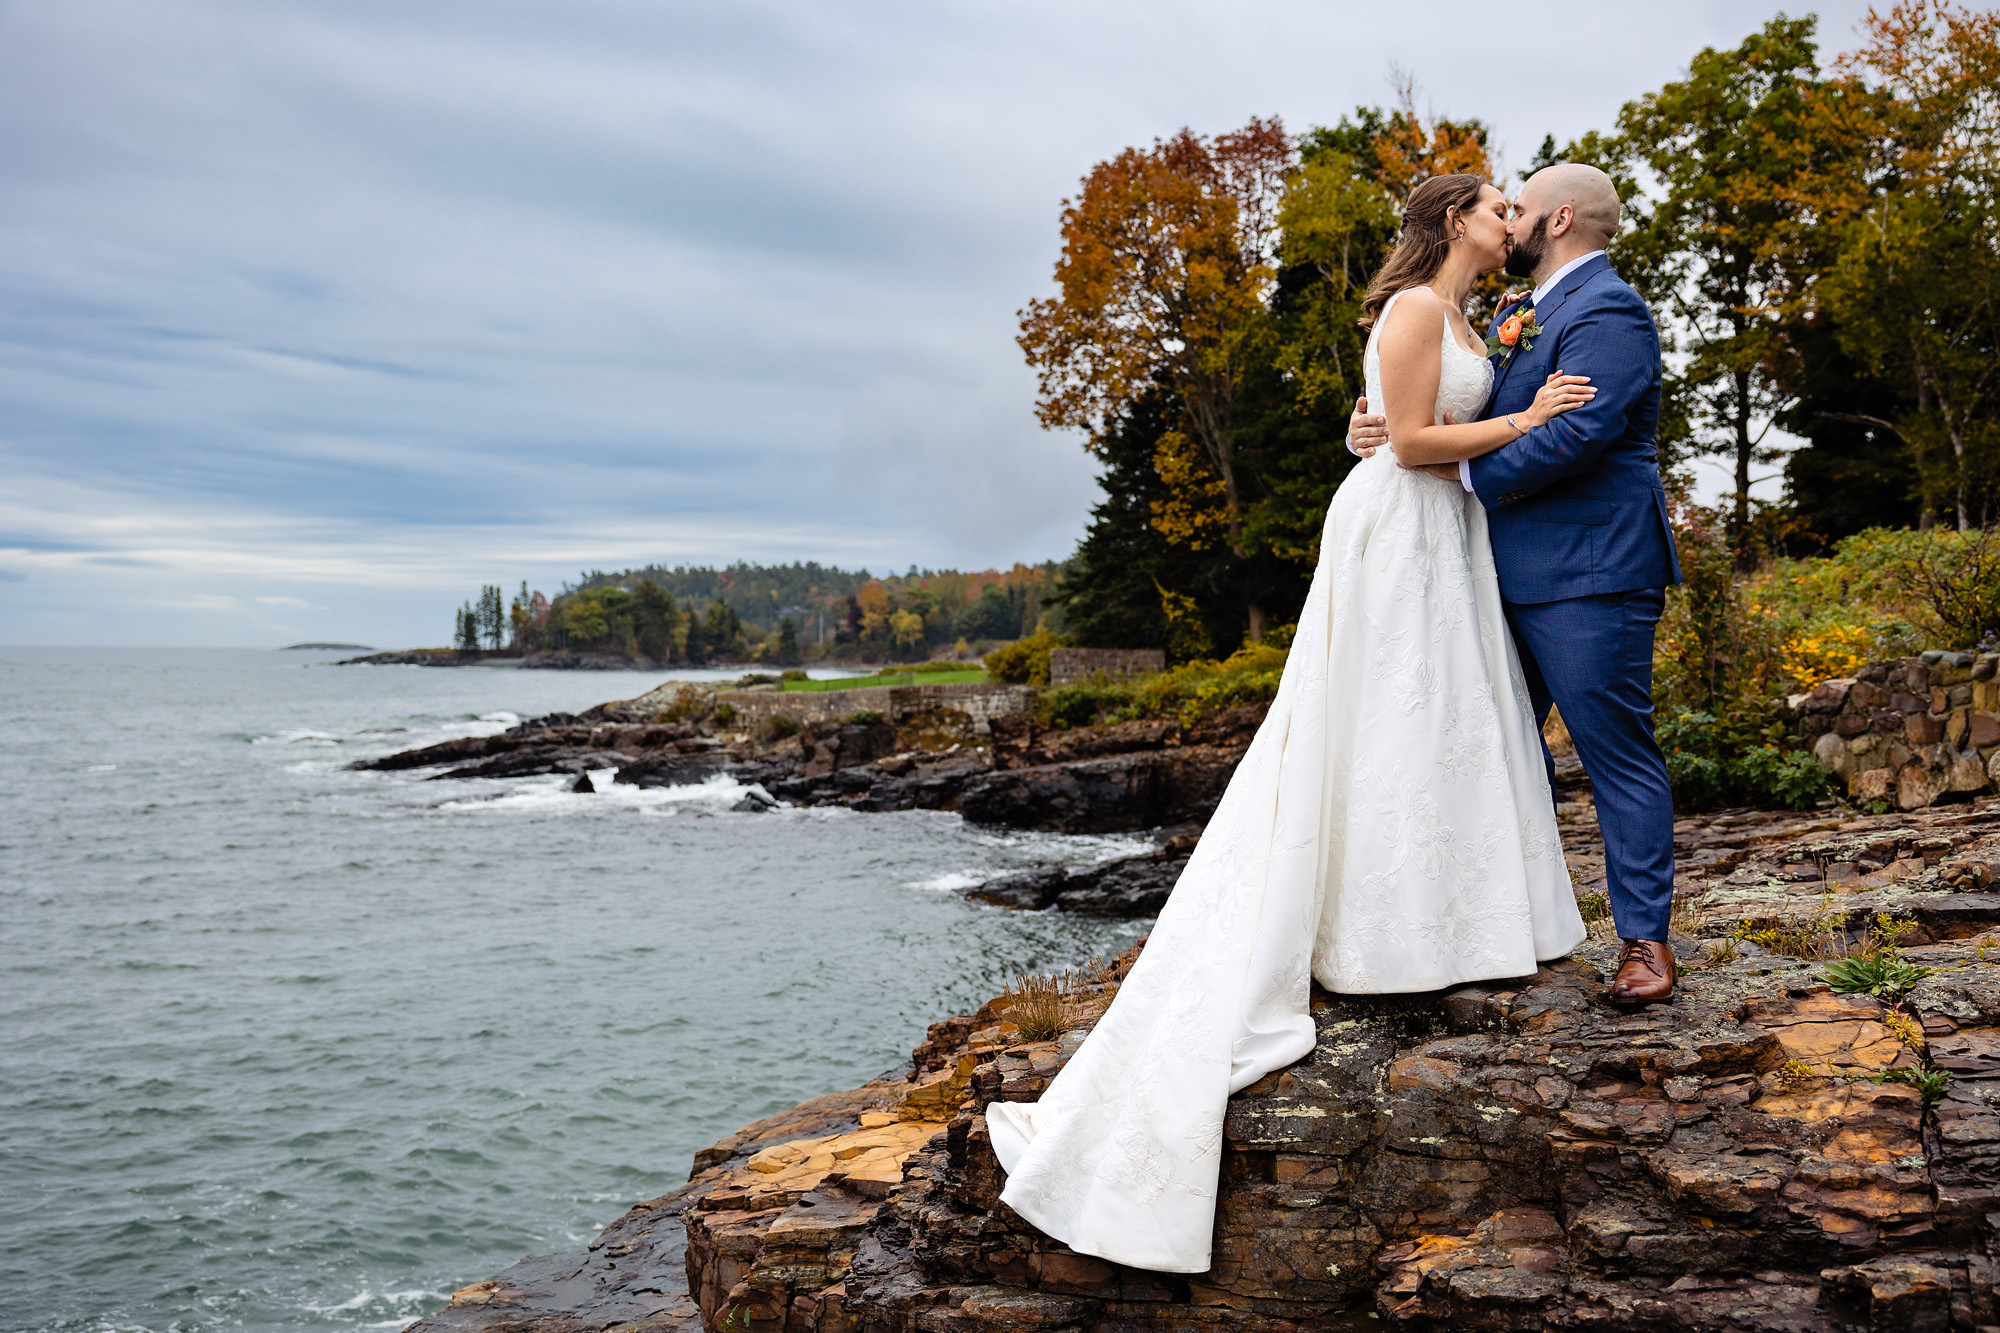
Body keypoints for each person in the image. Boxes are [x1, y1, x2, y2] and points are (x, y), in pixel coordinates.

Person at [987, 173, 1594, 1276]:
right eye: (1498, 206)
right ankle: (1371, 931)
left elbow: (1389, 422)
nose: (1511, 222)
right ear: (1456, 219)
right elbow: (1408, 439)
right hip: (1399, 526)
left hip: (1439, 535)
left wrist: (1430, 418)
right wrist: (1528, 416)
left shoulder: (1461, 317)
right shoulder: (1415, 307)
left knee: (1436, 726)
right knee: (1382, 725)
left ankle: (1448, 920)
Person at [1347, 162, 1682, 1009]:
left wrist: (1451, 476)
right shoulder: (1502, 314)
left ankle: (1645, 941)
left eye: (1520, 207)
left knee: (1615, 755)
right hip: (1484, 570)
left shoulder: (1610, 308)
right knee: (1477, 746)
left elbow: (1583, 433)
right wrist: (1379, 427)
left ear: (1558, 218)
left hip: (1589, 572)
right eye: (1501, 208)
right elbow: (1438, 411)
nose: (1511, 218)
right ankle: (1472, 920)